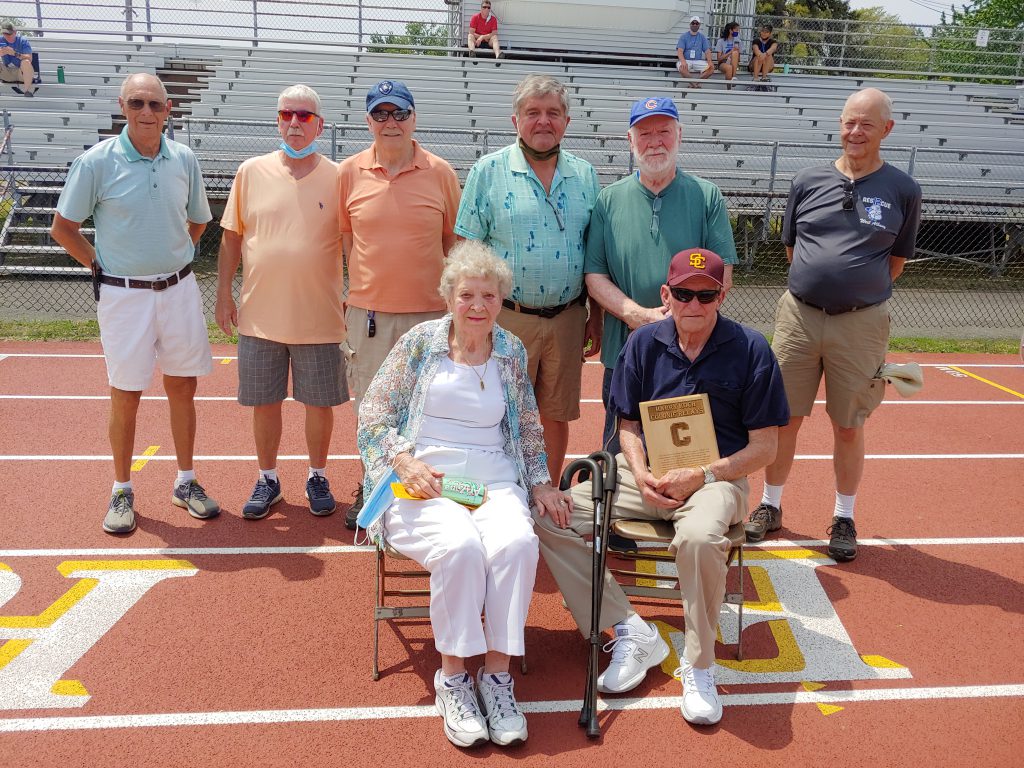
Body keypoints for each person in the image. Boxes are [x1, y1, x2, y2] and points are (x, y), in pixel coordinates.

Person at [535, 248, 789, 726]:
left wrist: (703, 474)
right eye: (685, 294)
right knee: (548, 514)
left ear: (722, 294)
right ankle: (630, 628)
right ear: (666, 294)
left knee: (697, 538)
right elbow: (626, 423)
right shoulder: (644, 343)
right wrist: (642, 468)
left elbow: (765, 449)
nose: (694, 305)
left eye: (706, 295)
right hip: (646, 474)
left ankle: (700, 666)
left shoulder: (753, 349)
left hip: (717, 479)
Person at [358, 240, 568, 748]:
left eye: (489, 296)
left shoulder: (512, 351)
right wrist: (404, 463)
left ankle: (496, 676)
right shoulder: (417, 344)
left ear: (501, 301)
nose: (478, 306)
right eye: (468, 294)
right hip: (422, 480)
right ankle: (452, 677)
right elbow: (373, 414)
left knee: (517, 544)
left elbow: (530, 431)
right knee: (459, 547)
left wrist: (540, 482)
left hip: (494, 480)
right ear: (450, 296)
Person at [746, 88, 922, 562]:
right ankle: (770, 506)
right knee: (784, 420)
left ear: (887, 129)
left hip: (860, 324)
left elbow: (896, 263)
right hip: (799, 317)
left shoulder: (903, 190)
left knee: (848, 425)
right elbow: (792, 249)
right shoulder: (807, 180)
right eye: (848, 122)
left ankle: (844, 516)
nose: (854, 132)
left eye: (866, 124)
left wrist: (851, 289)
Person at [51, 73, 218, 534]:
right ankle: (122, 488)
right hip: (124, 295)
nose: (147, 112)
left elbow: (199, 221)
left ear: (169, 111)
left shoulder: (183, 158)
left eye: (156, 105)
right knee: (125, 393)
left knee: (183, 387)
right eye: (138, 103)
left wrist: (175, 256)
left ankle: (186, 482)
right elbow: (62, 227)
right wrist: (97, 264)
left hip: (179, 290)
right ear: (123, 107)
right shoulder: (96, 162)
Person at [456, 74, 602, 483]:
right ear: (515, 119)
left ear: (567, 122)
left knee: (554, 415)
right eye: (532, 112)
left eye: (552, 113)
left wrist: (596, 318)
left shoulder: (586, 176)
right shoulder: (488, 171)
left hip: (568, 318)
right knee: (495, 409)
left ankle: (547, 496)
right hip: (505, 317)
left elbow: (595, 254)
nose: (543, 121)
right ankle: (499, 491)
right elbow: (465, 251)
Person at [215, 85, 347, 520]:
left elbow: (353, 245)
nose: (295, 123)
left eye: (305, 116)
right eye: (287, 114)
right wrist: (222, 296)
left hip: (320, 316)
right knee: (264, 404)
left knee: (319, 404)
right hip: (260, 317)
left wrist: (357, 295)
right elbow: (232, 238)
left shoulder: (339, 177)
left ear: (319, 125)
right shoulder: (250, 172)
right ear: (277, 119)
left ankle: (317, 474)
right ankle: (268, 478)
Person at [339, 79, 461, 529]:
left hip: (430, 316)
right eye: (380, 114)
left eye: (399, 113)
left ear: (414, 118)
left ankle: (423, 486)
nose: (390, 123)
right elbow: (345, 242)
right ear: (368, 120)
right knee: (370, 408)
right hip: (368, 317)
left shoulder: (441, 172)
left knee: (427, 406)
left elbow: (454, 244)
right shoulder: (348, 172)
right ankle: (371, 484)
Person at [586, 96, 738, 455]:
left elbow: (722, 272)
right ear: (630, 141)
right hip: (623, 350)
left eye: (664, 131)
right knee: (619, 457)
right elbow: (594, 275)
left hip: (692, 353)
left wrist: (675, 320)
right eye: (644, 133)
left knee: (685, 457)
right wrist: (637, 315)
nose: (655, 141)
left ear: (680, 135)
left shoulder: (706, 196)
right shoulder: (608, 200)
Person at [676, 16, 713, 88]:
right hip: (687, 60)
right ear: (690, 24)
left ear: (699, 25)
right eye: (693, 23)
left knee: (711, 69)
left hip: (698, 60)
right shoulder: (684, 36)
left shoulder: (702, 37)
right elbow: (680, 51)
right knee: (682, 68)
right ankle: (694, 85)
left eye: (697, 23)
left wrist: (709, 61)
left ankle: (694, 84)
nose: (695, 25)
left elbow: (707, 51)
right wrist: (683, 61)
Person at [1, 22, 35, 96]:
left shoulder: (22, 41)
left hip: (21, 72)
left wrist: (14, 53)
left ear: (15, 32)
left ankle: (27, 91)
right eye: (5, 34)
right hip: (7, 72)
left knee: (26, 62)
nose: (7, 36)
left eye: (9, 34)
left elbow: (30, 58)